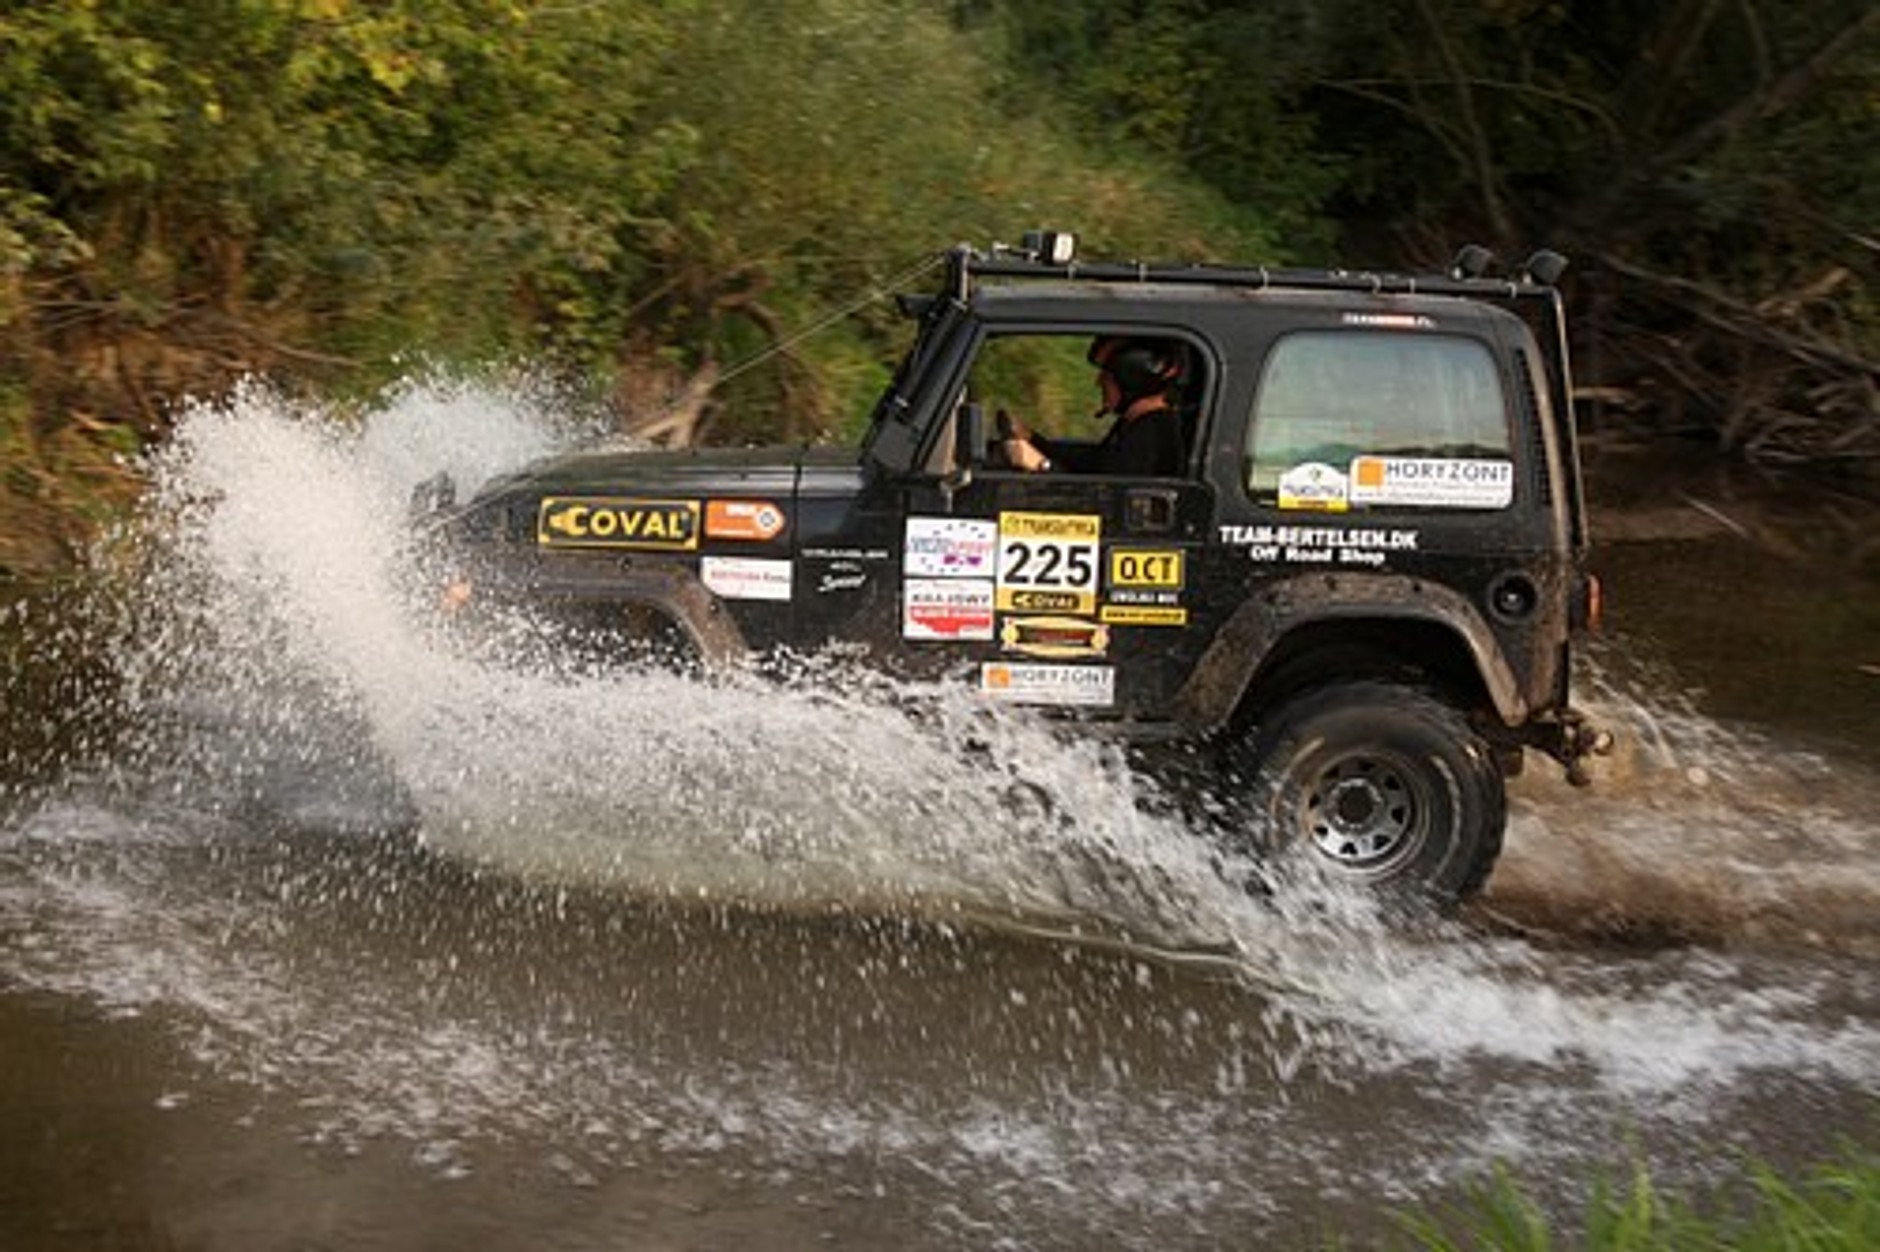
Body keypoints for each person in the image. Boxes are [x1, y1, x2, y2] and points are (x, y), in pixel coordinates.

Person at [999, 336, 1188, 476]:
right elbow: (1093, 462)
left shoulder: (1150, 436)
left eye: (1106, 375)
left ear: (1130, 378)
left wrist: (1042, 465)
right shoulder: (1137, 425)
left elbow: (1104, 499)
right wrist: (1034, 440)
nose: (1099, 383)